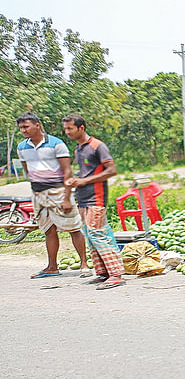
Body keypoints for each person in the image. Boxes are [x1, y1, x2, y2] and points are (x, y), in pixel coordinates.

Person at [16, 112, 90, 278]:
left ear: (37, 125)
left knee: (74, 228)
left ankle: (84, 264)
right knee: (48, 230)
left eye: (26, 126)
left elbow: (67, 172)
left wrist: (66, 197)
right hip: (38, 193)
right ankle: (52, 267)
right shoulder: (22, 147)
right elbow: (27, 169)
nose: (23, 130)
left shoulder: (56, 144)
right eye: (21, 128)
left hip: (58, 191)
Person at [62, 114, 125, 290]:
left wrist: (84, 181)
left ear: (81, 128)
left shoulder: (98, 146)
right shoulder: (78, 148)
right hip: (83, 198)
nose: (67, 132)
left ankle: (116, 274)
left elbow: (111, 170)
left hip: (96, 197)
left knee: (97, 234)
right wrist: (76, 180)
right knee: (90, 235)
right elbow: (86, 173)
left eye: (70, 128)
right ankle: (103, 272)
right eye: (65, 129)